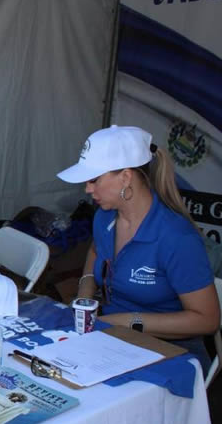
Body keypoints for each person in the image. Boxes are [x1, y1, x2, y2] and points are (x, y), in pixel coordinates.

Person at [57, 124, 220, 374]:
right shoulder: (104, 217)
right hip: (111, 337)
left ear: (125, 177)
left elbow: (207, 320)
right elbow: (95, 251)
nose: (88, 189)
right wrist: (86, 294)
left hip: (170, 351)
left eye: (94, 179)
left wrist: (127, 321)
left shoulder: (176, 237)